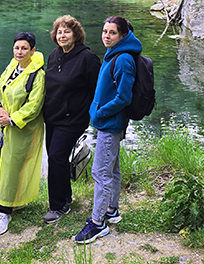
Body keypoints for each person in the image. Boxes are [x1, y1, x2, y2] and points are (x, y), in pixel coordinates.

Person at [74, 16, 141, 244]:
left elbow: (124, 97)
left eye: (112, 32)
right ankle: (111, 209)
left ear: (122, 35)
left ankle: (98, 223)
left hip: (110, 124)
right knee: (111, 168)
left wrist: (100, 112)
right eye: (105, 31)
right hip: (108, 122)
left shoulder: (123, 59)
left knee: (100, 172)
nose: (106, 36)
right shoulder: (113, 53)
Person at [42, 16, 100, 224]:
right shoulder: (54, 55)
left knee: (56, 157)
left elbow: (97, 89)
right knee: (57, 158)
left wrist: (90, 113)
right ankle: (66, 198)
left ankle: (57, 206)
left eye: (67, 31)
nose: (62, 35)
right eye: (59, 32)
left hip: (73, 118)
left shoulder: (87, 58)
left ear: (76, 34)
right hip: (52, 116)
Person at [0, 32, 46, 235]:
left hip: (22, 129)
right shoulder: (13, 66)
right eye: (16, 48)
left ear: (33, 50)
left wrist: (12, 119)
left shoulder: (37, 74)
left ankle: (4, 211)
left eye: (24, 48)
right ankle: (9, 201)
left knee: (14, 166)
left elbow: (34, 105)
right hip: (3, 124)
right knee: (2, 163)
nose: (19, 52)